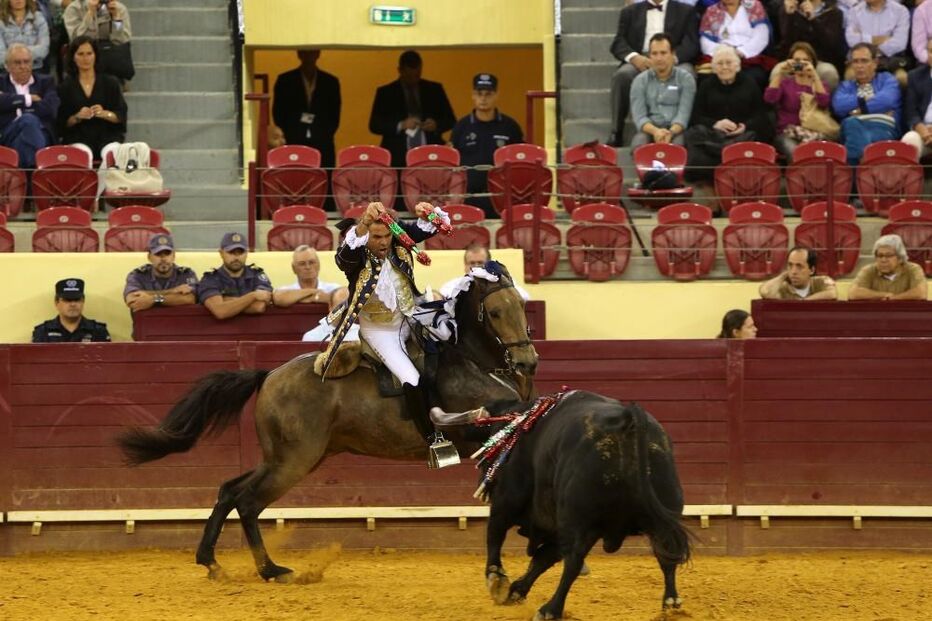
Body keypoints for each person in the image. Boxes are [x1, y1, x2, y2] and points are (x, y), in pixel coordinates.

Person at [320, 200, 455, 467]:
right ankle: (433, 439)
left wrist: (429, 212)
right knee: (412, 378)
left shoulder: (398, 239)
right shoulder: (356, 255)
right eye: (377, 237)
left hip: (410, 315)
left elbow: (438, 227)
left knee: (455, 339)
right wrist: (362, 227)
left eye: (387, 236)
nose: (383, 242)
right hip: (380, 330)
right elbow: (343, 256)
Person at [607, 0, 699, 146]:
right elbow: (618, 42)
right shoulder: (630, 11)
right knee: (622, 75)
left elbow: (692, 44)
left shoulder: (686, 11)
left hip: (674, 58)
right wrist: (634, 57)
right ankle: (616, 131)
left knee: (687, 73)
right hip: (640, 58)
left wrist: (669, 59)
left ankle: (683, 126)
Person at [685, 45, 773, 182]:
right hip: (713, 136)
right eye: (720, 63)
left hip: (742, 136)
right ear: (714, 67)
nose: (724, 67)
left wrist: (744, 126)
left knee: (756, 136)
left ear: (737, 65)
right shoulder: (706, 85)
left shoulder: (749, 83)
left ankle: (726, 159)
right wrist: (715, 124)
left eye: (728, 62)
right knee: (694, 134)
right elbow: (695, 117)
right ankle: (727, 160)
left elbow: (760, 115)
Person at [450, 73, 523, 219]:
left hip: (501, 198)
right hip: (468, 198)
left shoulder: (510, 126)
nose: (483, 98)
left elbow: (520, 163)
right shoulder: (462, 127)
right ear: (473, 95)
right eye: (479, 93)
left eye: (488, 94)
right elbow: (452, 162)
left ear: (496, 95)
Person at [368, 50, 456, 169]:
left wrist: (436, 125)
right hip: (397, 154)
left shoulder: (435, 90)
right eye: (409, 76)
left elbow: (450, 119)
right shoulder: (385, 93)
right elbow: (374, 125)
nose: (414, 80)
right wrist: (401, 125)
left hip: (431, 152)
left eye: (417, 75)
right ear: (400, 70)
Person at [57, 35, 127, 159]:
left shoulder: (110, 83)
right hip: (78, 137)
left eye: (89, 53)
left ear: (96, 55)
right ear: (73, 57)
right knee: (83, 155)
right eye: (81, 54)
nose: (86, 58)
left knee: (112, 154)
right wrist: (77, 117)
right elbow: (62, 122)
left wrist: (104, 113)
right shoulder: (65, 87)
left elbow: (120, 116)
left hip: (107, 136)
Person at [831, 43, 901, 167]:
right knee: (853, 126)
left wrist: (857, 111)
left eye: (864, 61)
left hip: (883, 127)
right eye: (855, 61)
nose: (859, 66)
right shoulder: (845, 86)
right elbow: (839, 106)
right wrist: (868, 101)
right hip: (852, 128)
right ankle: (868, 176)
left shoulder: (887, 79)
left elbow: (887, 100)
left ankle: (854, 180)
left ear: (875, 63)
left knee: (854, 132)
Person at [272, 49, 341, 170]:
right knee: (294, 180)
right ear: (299, 54)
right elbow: (278, 113)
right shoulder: (285, 80)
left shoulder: (330, 82)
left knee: (323, 181)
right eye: (305, 52)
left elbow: (334, 115)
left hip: (323, 142)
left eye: (312, 52)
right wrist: (289, 133)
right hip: (293, 139)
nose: (309, 56)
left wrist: (323, 133)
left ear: (318, 54)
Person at [765, 42, 832, 161]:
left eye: (805, 60)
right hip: (787, 133)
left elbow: (824, 103)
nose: (800, 64)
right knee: (796, 153)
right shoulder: (785, 83)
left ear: (812, 63)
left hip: (815, 132)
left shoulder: (820, 84)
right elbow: (769, 99)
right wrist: (780, 73)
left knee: (823, 153)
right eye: (797, 60)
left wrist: (815, 77)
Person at [629, 33, 696, 148]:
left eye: (663, 53)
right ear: (649, 56)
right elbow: (639, 117)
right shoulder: (639, 81)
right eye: (654, 53)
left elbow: (684, 115)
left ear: (672, 54)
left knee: (678, 146)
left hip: (676, 130)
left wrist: (670, 132)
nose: (659, 58)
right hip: (650, 129)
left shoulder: (686, 79)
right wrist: (656, 132)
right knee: (639, 143)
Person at [0, 43, 58, 170]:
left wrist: (11, 102)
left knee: (27, 126)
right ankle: (35, 172)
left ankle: (24, 176)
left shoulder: (45, 82)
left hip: (40, 134)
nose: (23, 66)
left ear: (32, 64)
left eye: (26, 62)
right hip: (7, 135)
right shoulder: (1, 82)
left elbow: (50, 109)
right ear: (7, 66)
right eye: (17, 62)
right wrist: (27, 98)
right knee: (28, 119)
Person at [699, 0, 776, 92]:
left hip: (748, 56)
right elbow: (705, 41)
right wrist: (724, 52)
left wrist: (741, 51)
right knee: (706, 77)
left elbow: (761, 36)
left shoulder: (753, 6)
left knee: (755, 76)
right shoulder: (712, 11)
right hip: (721, 54)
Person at [197, 232, 273, 319]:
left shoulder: (257, 275)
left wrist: (226, 301)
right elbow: (220, 311)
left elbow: (258, 306)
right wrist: (253, 296)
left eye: (240, 252)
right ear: (221, 253)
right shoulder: (210, 279)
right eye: (231, 252)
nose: (236, 258)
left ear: (247, 253)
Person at [776, 0, 845, 89]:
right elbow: (786, 44)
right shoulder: (788, 9)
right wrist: (789, 16)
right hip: (796, 62)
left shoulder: (834, 12)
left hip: (819, 61)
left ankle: (824, 102)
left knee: (829, 73)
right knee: (777, 72)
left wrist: (813, 20)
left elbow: (831, 44)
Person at [123, 233, 198, 312]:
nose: (163, 259)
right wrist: (172, 291)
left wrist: (154, 299)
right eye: (158, 254)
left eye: (167, 254)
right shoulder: (137, 275)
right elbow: (131, 299)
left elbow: (190, 299)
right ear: (149, 257)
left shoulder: (186, 274)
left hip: (179, 323)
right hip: (148, 323)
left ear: (173, 256)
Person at [844, 0, 910, 84]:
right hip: (861, 57)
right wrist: (882, 39)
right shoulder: (854, 11)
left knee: (902, 78)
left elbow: (900, 43)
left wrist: (863, 37)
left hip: (890, 58)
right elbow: (852, 41)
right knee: (850, 76)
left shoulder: (900, 11)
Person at [437, 243, 531, 300]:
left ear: (489, 264)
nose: (476, 266)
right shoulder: (452, 285)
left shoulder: (504, 281)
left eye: (480, 262)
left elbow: (525, 297)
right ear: (465, 266)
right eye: (472, 263)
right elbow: (443, 300)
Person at [848, 234, 928, 300]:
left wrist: (894, 298)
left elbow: (920, 293)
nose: (883, 260)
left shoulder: (913, 269)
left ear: (900, 258)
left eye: (888, 255)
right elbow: (853, 293)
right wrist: (883, 294)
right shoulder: (869, 270)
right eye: (879, 255)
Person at [32, 277, 111, 342]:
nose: (73, 304)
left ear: (83, 301)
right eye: (67, 300)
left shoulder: (98, 331)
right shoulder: (42, 332)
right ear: (56, 302)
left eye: (77, 300)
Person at [272, 244, 349, 310]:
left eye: (312, 262)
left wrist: (300, 298)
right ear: (294, 268)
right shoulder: (286, 290)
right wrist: (314, 293)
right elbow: (277, 297)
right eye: (302, 264)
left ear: (318, 265)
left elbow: (346, 296)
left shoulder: (333, 288)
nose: (308, 267)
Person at [758, 246, 838, 300]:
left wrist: (803, 303)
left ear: (812, 270)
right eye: (790, 265)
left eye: (799, 266)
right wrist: (784, 275)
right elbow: (765, 292)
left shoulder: (820, 281)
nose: (793, 271)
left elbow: (832, 294)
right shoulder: (784, 288)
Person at [901, 38, 932, 159]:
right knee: (910, 139)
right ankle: (906, 178)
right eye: (930, 51)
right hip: (924, 131)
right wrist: (922, 129)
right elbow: (910, 111)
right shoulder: (916, 76)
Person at [0, 0, 49, 70]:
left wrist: (12, 53)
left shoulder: (39, 18)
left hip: (35, 69)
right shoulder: (1, 22)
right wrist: (31, 50)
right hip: (8, 71)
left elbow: (43, 50)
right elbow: (1, 56)